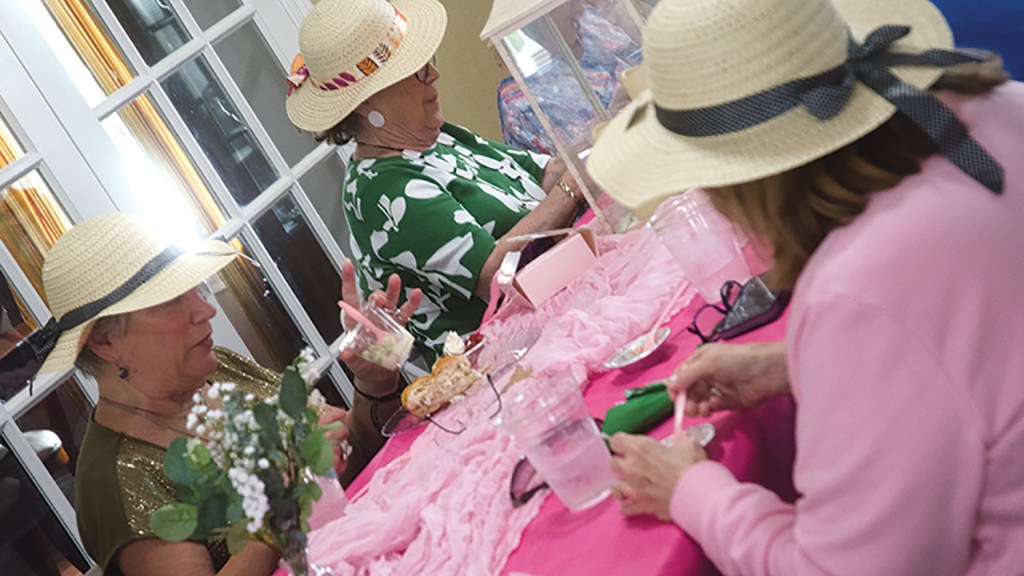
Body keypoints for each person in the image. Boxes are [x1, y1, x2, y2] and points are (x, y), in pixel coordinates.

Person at [587, 0, 1024, 573]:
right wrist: (800, 364)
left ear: (738, 181)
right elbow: (969, 351)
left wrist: (691, 490)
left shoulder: (858, 288)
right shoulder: (1003, 105)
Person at [34, 213, 421, 575]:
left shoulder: (220, 370)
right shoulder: (114, 479)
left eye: (196, 289)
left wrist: (374, 383)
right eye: (173, 299)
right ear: (104, 341)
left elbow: (351, 456)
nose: (205, 310)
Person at [285, 0, 584, 363]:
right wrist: (573, 187)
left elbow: (546, 172)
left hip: (561, 298)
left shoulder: (433, 136)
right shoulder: (379, 189)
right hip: (514, 357)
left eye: (428, 61)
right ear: (366, 102)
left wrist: (609, 125)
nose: (434, 74)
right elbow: (494, 272)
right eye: (417, 70)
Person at [496, 0, 642, 155]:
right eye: (568, 4)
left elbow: (647, 50)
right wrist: (612, 113)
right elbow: (566, 162)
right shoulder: (520, 100)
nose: (579, 7)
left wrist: (619, 11)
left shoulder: (594, 25)